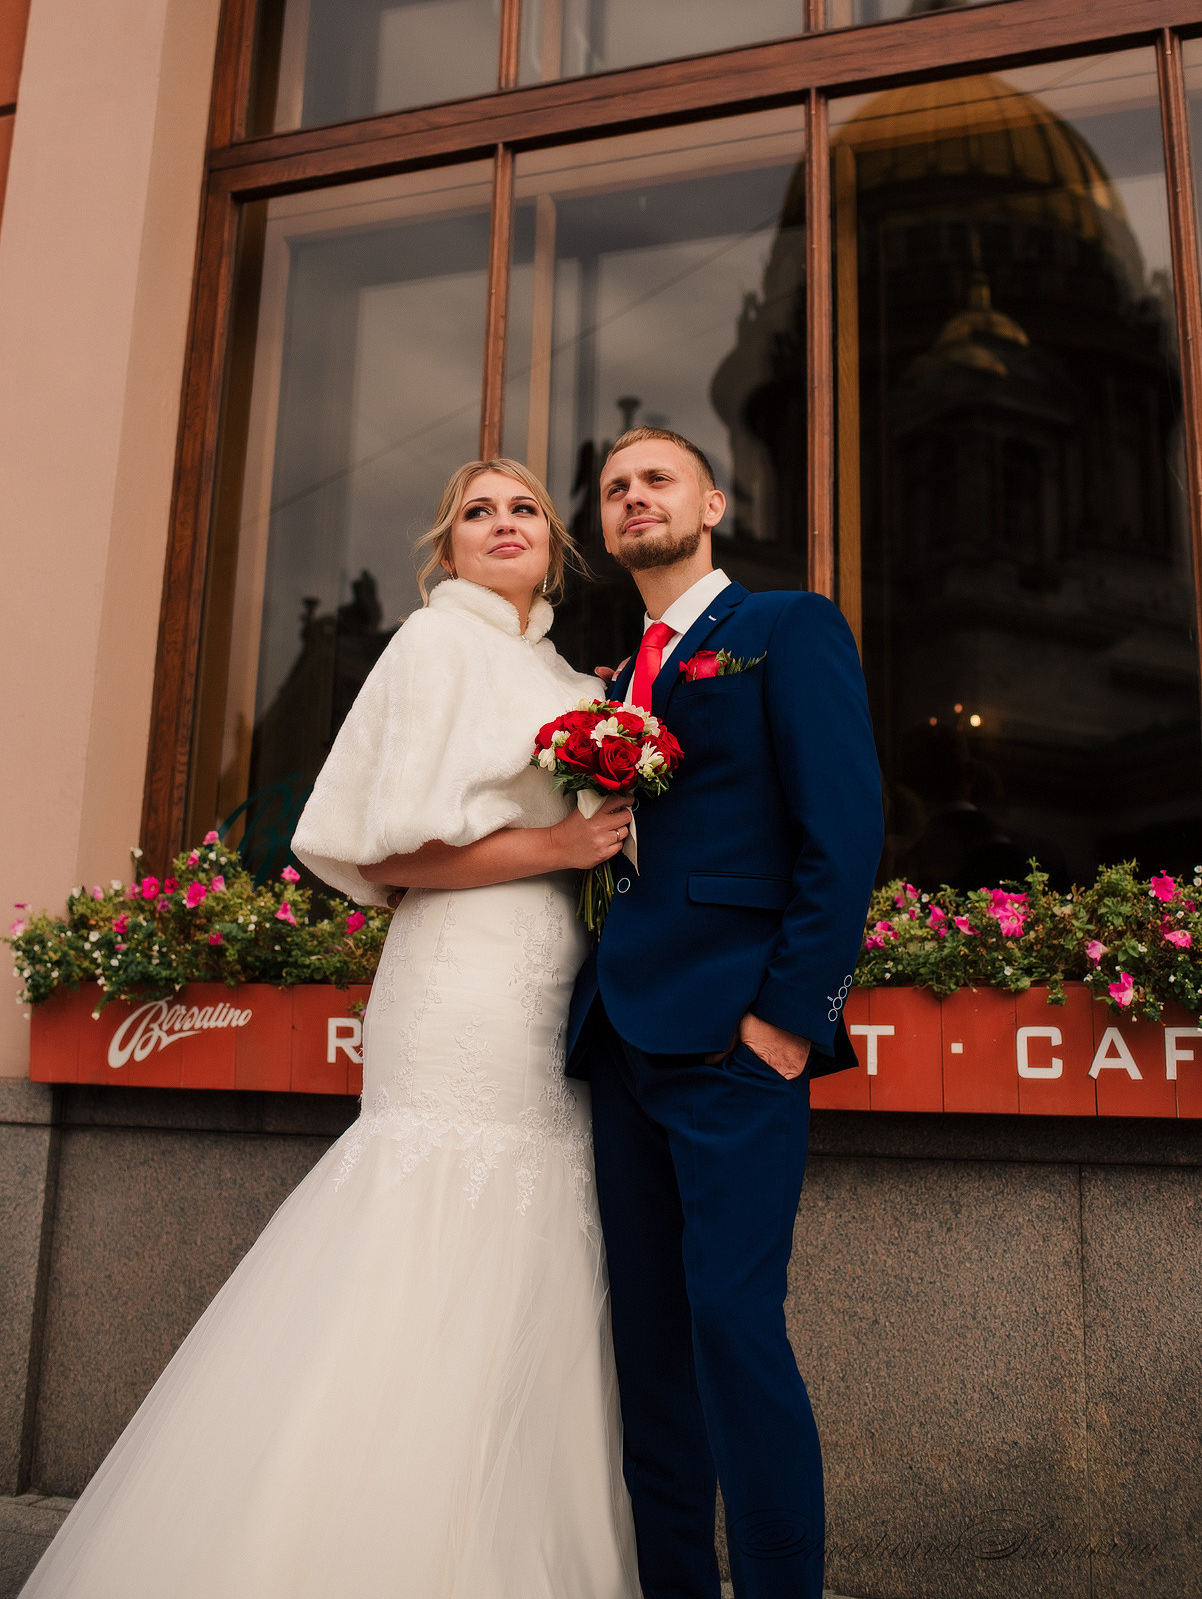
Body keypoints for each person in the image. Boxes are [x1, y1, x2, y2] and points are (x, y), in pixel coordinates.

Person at [22, 459, 640, 1599]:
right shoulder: (431, 646)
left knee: (535, 1230)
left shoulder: (560, 673)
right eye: (475, 513)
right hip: (460, 978)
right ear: (444, 549)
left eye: (523, 512)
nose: (502, 526)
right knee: (438, 1210)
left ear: (554, 549)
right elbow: (380, 851)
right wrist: (555, 850)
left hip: (551, 981)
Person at [568, 426, 883, 1599]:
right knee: (648, 1353)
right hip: (616, 1040)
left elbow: (841, 832)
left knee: (734, 1334)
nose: (632, 498)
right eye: (612, 489)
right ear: (601, 528)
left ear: (709, 501)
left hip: (734, 1043)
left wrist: (787, 1023)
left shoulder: (781, 629)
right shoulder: (610, 678)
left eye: (655, 480)